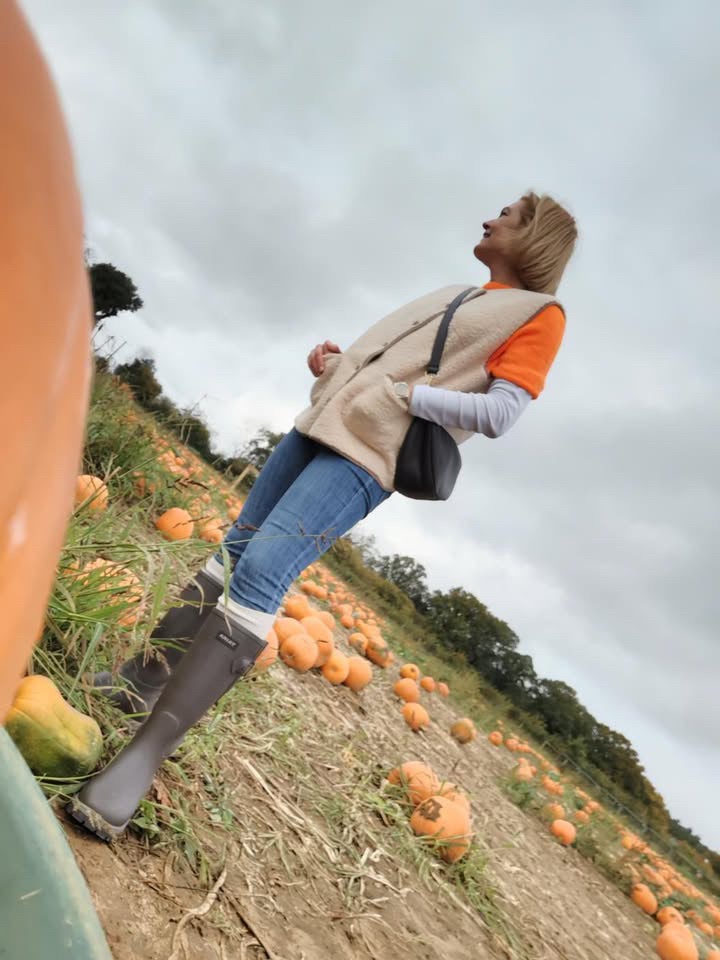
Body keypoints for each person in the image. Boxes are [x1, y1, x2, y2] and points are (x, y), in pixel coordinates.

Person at [71, 190, 578, 840]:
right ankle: (143, 679)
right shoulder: (462, 294)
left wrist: (401, 396)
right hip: (321, 425)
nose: (489, 218)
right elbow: (392, 367)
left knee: (260, 575)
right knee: (233, 550)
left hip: (368, 456)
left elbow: (502, 412)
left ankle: (141, 760)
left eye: (506, 216)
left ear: (534, 237)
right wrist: (343, 369)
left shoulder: (542, 315)